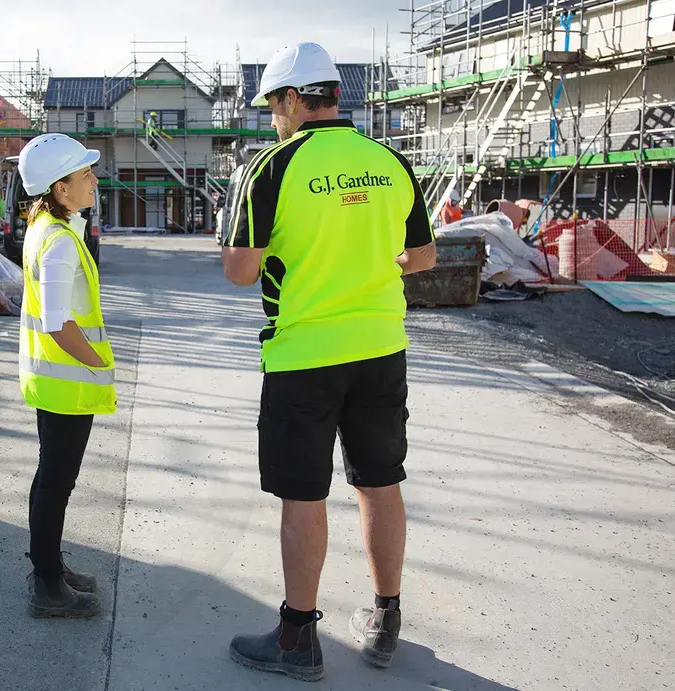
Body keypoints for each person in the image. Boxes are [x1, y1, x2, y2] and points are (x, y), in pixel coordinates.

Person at [220, 41, 437, 681]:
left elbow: (238, 270)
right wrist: (370, 266)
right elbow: (422, 257)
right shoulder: (389, 161)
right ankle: (386, 618)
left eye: (272, 107)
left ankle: (296, 640)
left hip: (304, 355)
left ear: (293, 99)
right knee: (380, 480)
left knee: (302, 494)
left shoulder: (272, 168)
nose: (271, 119)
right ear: (334, 96)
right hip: (380, 348)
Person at [16, 133, 117, 619]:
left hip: (54, 380)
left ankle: (48, 565)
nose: (94, 180)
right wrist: (99, 363)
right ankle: (49, 585)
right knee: (57, 481)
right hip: (67, 381)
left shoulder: (48, 229)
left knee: (51, 477)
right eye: (84, 175)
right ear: (59, 188)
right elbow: (58, 323)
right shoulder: (57, 243)